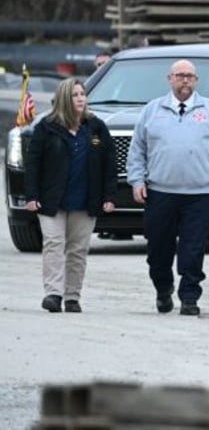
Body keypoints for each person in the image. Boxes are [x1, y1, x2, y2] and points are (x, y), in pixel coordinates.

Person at [126, 60, 209, 316]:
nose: (185, 80)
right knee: (158, 249)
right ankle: (163, 290)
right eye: (180, 76)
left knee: (193, 248)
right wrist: (137, 180)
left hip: (199, 194)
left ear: (196, 80)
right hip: (160, 192)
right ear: (170, 79)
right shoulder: (152, 110)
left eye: (189, 76)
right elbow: (137, 151)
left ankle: (189, 297)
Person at [24, 78, 117, 313]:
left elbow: (109, 164)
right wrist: (32, 195)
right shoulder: (46, 127)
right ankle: (53, 294)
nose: (81, 98)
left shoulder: (96, 127)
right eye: (75, 94)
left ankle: (72, 296)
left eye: (83, 94)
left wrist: (109, 196)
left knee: (77, 250)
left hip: (85, 200)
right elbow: (33, 164)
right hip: (51, 199)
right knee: (54, 244)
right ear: (65, 98)